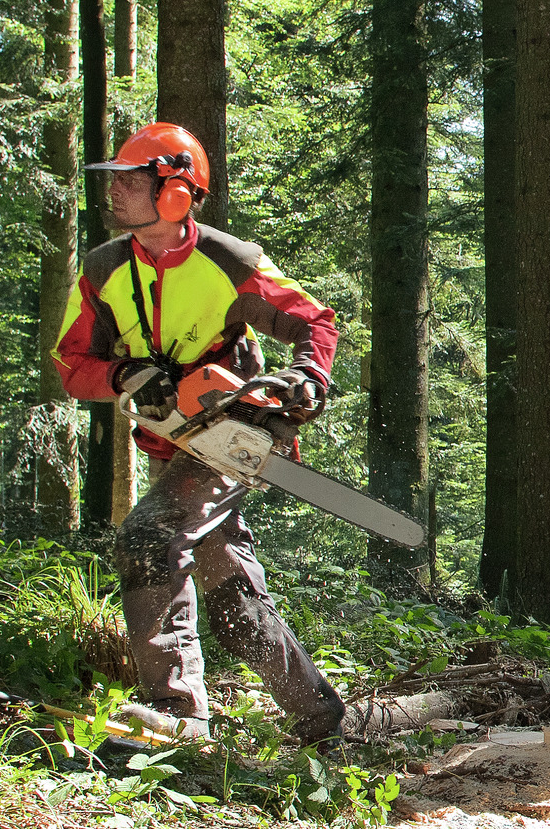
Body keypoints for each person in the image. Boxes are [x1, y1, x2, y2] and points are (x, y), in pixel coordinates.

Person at [52, 121, 347, 744]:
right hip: (170, 436)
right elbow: (72, 364)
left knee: (149, 538)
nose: (117, 193)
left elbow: (314, 322)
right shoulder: (104, 269)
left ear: (177, 192)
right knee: (230, 591)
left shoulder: (229, 261)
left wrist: (306, 377)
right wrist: (125, 373)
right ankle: (318, 715)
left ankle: (177, 715)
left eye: (132, 181)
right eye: (116, 182)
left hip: (231, 429)